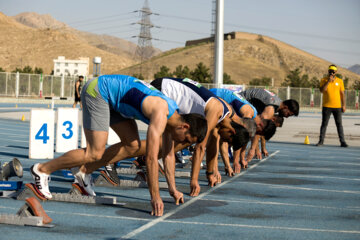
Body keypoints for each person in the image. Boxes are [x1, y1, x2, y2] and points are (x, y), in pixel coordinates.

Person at [30, 74, 208, 217]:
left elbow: (168, 155)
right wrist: (155, 197)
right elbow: (152, 159)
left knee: (133, 145)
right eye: (186, 139)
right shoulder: (161, 113)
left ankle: (84, 172)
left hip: (116, 101)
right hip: (98, 91)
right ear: (184, 127)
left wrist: (173, 189)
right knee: (95, 151)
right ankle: (42, 169)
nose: (183, 143)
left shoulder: (173, 118)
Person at [237, 88, 299, 167]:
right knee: (244, 132)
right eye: (288, 114)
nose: (286, 117)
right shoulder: (271, 109)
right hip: (240, 102)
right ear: (286, 107)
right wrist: (252, 149)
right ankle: (238, 158)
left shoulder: (277, 101)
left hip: (242, 100)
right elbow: (259, 129)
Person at [316, 65, 348, 147]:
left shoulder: (340, 81)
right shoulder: (324, 80)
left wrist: (343, 105)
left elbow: (342, 94)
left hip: (337, 106)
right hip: (327, 106)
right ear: (328, 71)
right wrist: (328, 82)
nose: (331, 73)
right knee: (324, 124)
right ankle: (321, 141)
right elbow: (322, 91)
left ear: (336, 72)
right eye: (330, 71)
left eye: (333, 71)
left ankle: (342, 141)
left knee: (339, 124)